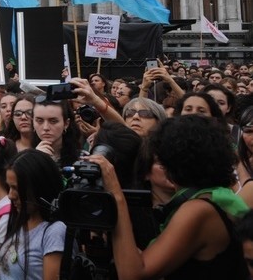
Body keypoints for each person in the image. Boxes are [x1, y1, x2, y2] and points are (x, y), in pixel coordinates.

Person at [90, 115, 249, 279]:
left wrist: (116, 195)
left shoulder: (199, 210)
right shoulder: (215, 197)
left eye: (160, 158)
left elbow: (133, 273)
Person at [0, 149, 67, 280]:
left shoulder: (54, 231)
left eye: (16, 188)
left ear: (37, 187)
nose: (10, 195)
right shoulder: (21, 220)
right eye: (9, 187)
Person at [32, 98, 81, 166]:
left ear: (66, 123)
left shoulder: (82, 158)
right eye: (40, 121)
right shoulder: (22, 160)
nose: (46, 127)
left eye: (53, 121)